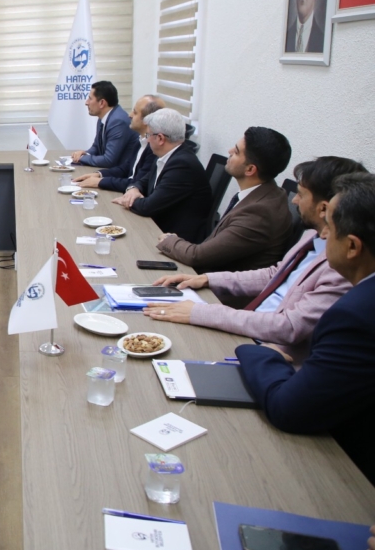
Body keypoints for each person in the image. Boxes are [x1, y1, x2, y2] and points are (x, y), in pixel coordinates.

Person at [145, 157, 363, 363]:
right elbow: (275, 274)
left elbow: (289, 327)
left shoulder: (341, 266)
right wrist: (208, 279)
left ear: (324, 208)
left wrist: (201, 312)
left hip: (267, 349)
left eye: (301, 194)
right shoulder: (313, 235)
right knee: (151, 327)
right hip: (246, 325)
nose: (294, 200)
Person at [235, 172, 375, 485]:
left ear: (352, 246)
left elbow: (289, 409)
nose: (322, 234)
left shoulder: (357, 316)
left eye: (330, 229)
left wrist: (260, 354)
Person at [155, 127, 294, 273]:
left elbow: (197, 257)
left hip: (215, 284)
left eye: (236, 151)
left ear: (250, 170)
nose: (229, 151)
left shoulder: (259, 214)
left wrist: (170, 240)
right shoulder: (267, 193)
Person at [112, 108, 212, 242]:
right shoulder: (167, 155)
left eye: (148, 135)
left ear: (160, 138)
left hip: (176, 239)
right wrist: (133, 189)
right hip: (159, 227)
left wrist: (127, 200)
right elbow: (145, 180)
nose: (147, 140)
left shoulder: (182, 165)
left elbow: (148, 207)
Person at [74, 95, 164, 191]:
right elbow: (125, 169)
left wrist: (100, 182)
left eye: (135, 112)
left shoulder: (154, 148)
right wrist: (99, 174)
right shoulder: (141, 140)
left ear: (147, 119)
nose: (130, 115)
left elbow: (137, 183)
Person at [71, 80, 140, 168]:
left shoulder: (118, 121)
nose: (86, 102)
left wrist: (82, 158)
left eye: (90, 99)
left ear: (102, 103)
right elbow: (96, 147)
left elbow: (108, 160)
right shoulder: (103, 118)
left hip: (122, 173)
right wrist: (85, 153)